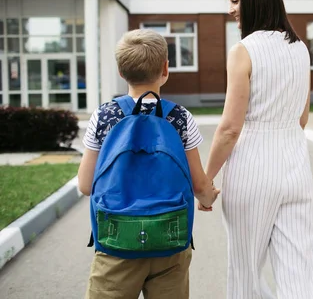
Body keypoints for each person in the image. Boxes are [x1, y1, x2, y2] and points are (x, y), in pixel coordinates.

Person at [203, 0, 313, 299]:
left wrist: (205, 180)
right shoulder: (300, 49)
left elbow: (229, 128)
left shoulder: (244, 50)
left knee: (245, 273)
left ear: (254, 0)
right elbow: (302, 118)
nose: (230, 10)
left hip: (253, 169)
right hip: (296, 166)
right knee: (300, 273)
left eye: (235, 0)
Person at [77, 29, 219, 299]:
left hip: (117, 241)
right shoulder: (179, 117)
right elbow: (199, 184)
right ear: (166, 68)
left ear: (121, 72)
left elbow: (86, 185)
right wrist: (208, 197)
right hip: (170, 240)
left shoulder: (104, 116)